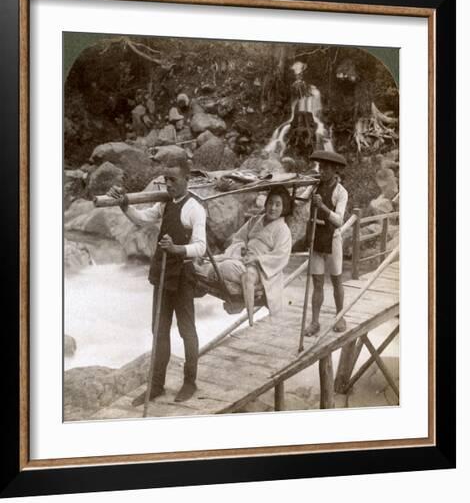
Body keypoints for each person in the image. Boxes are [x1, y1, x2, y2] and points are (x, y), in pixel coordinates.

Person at [108, 160, 207, 404]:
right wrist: (124, 205)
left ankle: (189, 382)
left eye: (173, 180)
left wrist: (176, 248)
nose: (168, 184)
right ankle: (157, 385)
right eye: (166, 179)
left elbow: (201, 247)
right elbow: (142, 219)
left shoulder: (195, 208)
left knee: (186, 330)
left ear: (187, 180)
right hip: (162, 272)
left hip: (183, 276)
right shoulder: (164, 204)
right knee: (159, 330)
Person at [205, 187, 293, 324]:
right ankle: (236, 282)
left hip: (261, 269)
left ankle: (250, 313)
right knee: (213, 264)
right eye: (270, 203)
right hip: (243, 259)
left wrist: (257, 259)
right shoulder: (255, 220)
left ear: (284, 207)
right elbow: (239, 238)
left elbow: (281, 255)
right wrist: (242, 249)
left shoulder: (283, 230)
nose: (273, 208)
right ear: (266, 203)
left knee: (229, 268)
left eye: (278, 204)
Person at [303, 150, 349, 336]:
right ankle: (314, 322)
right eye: (321, 168)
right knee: (317, 283)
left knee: (336, 280)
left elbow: (339, 220)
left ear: (335, 170)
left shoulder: (341, 192)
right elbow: (300, 201)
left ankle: (340, 316)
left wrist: (322, 206)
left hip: (333, 240)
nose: (322, 172)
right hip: (315, 236)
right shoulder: (314, 186)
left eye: (326, 169)